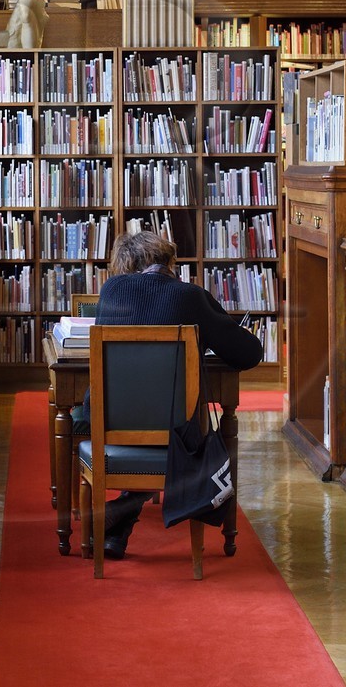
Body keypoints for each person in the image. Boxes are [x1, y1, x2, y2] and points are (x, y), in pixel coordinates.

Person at [80, 230, 264, 559]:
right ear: (170, 261)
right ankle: (125, 507)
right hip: (174, 428)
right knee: (178, 423)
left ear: (128, 264)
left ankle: (117, 530)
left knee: (146, 418)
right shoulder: (190, 296)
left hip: (108, 417)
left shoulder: (111, 289)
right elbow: (249, 354)